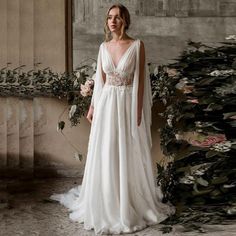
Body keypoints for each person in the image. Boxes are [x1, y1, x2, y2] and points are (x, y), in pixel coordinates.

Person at [50, 3, 175, 235]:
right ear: (107, 22)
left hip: (127, 103)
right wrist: (92, 107)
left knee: (126, 149)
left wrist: (138, 111)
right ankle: (107, 201)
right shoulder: (103, 47)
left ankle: (127, 201)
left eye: (117, 17)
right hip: (107, 103)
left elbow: (140, 84)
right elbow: (102, 81)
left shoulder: (137, 46)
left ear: (125, 20)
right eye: (109, 17)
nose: (113, 21)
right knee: (106, 149)